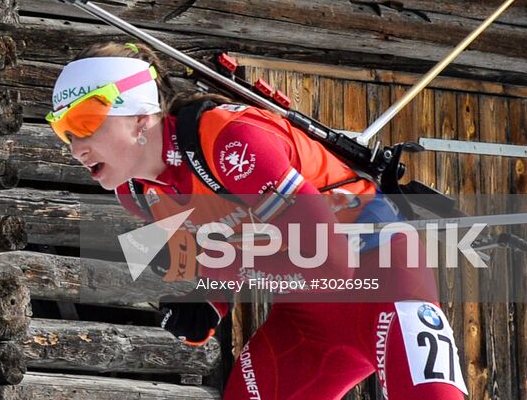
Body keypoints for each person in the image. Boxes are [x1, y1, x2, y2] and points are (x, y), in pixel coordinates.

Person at [47, 41, 468, 400]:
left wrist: (217, 267)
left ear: (141, 114)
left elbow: (332, 261)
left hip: (381, 280)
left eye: (84, 122)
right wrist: (209, 303)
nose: (75, 146)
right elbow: (226, 247)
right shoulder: (137, 194)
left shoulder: (231, 141)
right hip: (308, 316)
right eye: (63, 130)